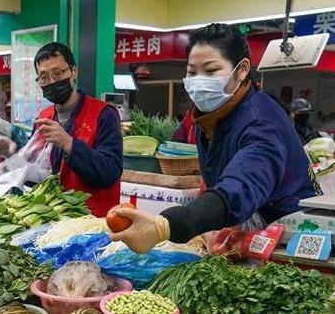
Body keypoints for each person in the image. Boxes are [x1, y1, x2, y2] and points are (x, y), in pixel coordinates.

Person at [111, 23, 318, 253]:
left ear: (242, 69)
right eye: (192, 72)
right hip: (252, 231)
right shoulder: (212, 116)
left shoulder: (261, 123)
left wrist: (164, 226)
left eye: (210, 71)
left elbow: (240, 187)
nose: (199, 80)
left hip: (290, 240)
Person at [32, 42, 123, 217]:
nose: (51, 82)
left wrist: (69, 144)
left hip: (94, 222)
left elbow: (110, 173)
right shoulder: (43, 118)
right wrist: (13, 153)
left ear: (74, 71)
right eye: (44, 77)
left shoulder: (104, 114)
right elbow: (35, 168)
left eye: (58, 73)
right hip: (53, 221)